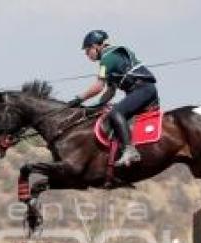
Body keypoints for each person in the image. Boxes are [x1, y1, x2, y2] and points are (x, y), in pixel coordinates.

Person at [67, 30, 159, 167]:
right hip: (141, 91)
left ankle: (130, 150)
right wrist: (93, 106)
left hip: (142, 90)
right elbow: (110, 91)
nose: (87, 55)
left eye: (87, 51)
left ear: (96, 46)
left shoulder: (107, 59)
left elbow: (99, 86)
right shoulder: (109, 58)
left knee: (116, 113)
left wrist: (79, 99)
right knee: (109, 113)